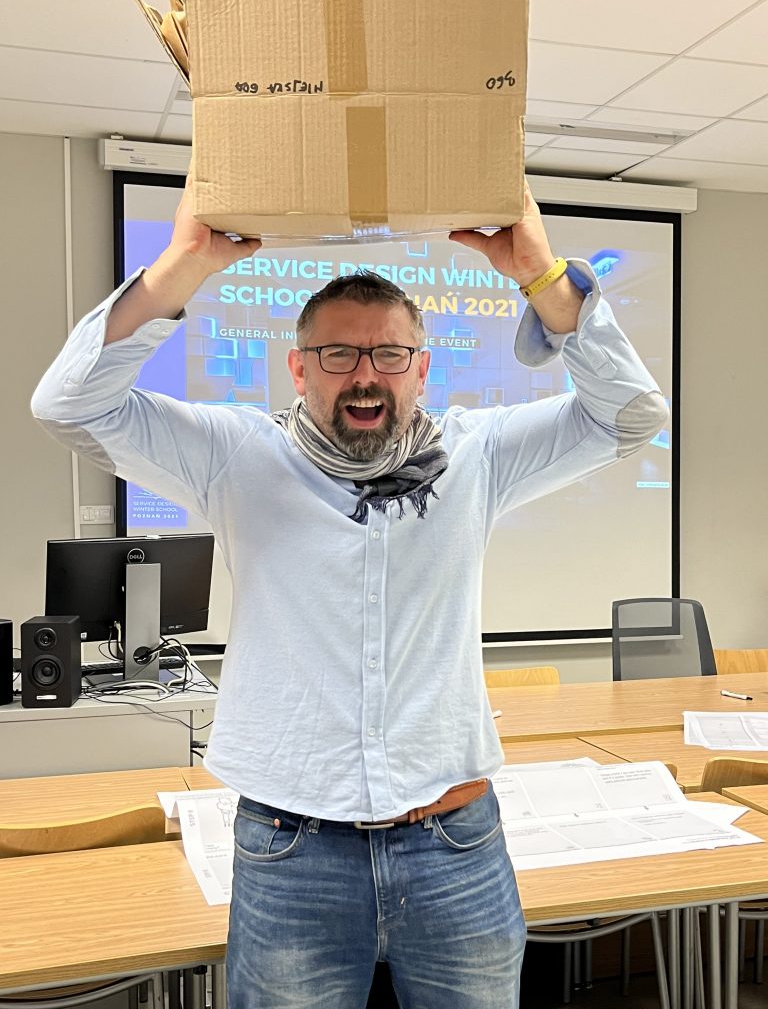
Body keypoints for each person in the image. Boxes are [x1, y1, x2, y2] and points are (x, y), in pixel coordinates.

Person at [32, 179, 667, 1009]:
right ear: (299, 369)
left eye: (389, 355)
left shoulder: (477, 455)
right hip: (291, 854)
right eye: (339, 355)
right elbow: (67, 405)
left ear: (422, 369)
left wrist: (543, 279)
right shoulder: (236, 456)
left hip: (454, 848)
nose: (365, 377)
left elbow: (629, 417)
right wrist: (178, 269)